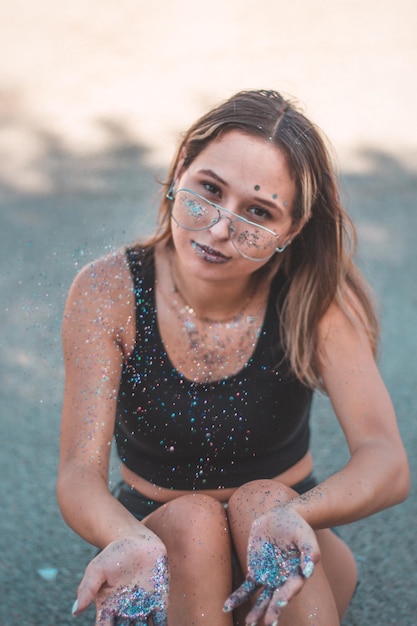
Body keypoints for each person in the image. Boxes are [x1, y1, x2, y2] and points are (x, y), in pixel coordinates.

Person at [57, 89, 409, 626]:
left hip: (289, 528)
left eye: (258, 213)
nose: (220, 229)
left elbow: (386, 462)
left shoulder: (313, 299)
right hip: (160, 542)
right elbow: (79, 475)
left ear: (291, 229)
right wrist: (128, 538)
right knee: (197, 522)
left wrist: (295, 513)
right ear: (180, 169)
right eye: (209, 190)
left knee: (262, 505)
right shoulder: (109, 291)